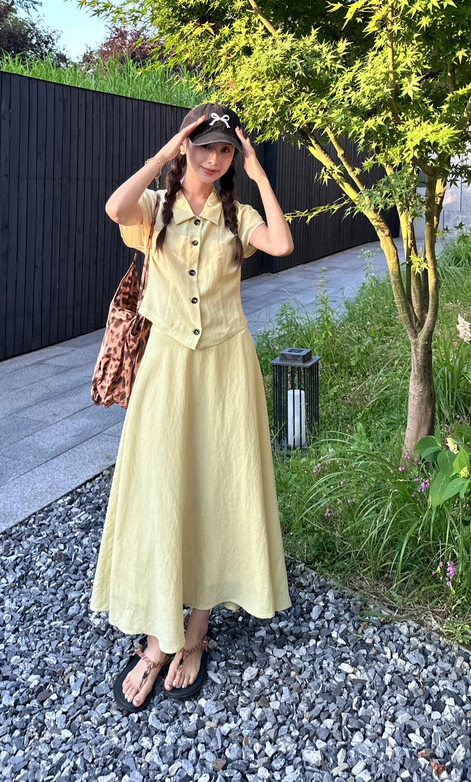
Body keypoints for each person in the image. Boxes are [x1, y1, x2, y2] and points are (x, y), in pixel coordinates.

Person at [89, 102, 294, 713]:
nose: (215, 158)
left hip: (228, 368)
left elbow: (281, 243)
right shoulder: (156, 208)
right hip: (167, 367)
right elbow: (115, 208)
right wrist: (165, 153)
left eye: (225, 149)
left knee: (219, 487)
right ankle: (159, 638)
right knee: (162, 487)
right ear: (187, 147)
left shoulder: (239, 214)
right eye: (205, 146)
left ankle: (196, 631)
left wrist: (258, 171)